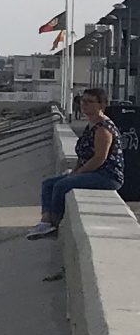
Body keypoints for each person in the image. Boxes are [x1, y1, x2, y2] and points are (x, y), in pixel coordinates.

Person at [31, 89, 123, 239]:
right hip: (91, 172)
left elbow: (99, 158)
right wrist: (75, 170)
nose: (84, 105)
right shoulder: (91, 125)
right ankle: (45, 221)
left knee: (61, 186)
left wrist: (79, 173)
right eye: (82, 101)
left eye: (89, 102)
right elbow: (83, 155)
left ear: (101, 105)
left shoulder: (103, 129)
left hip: (106, 175)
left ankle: (55, 224)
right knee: (48, 184)